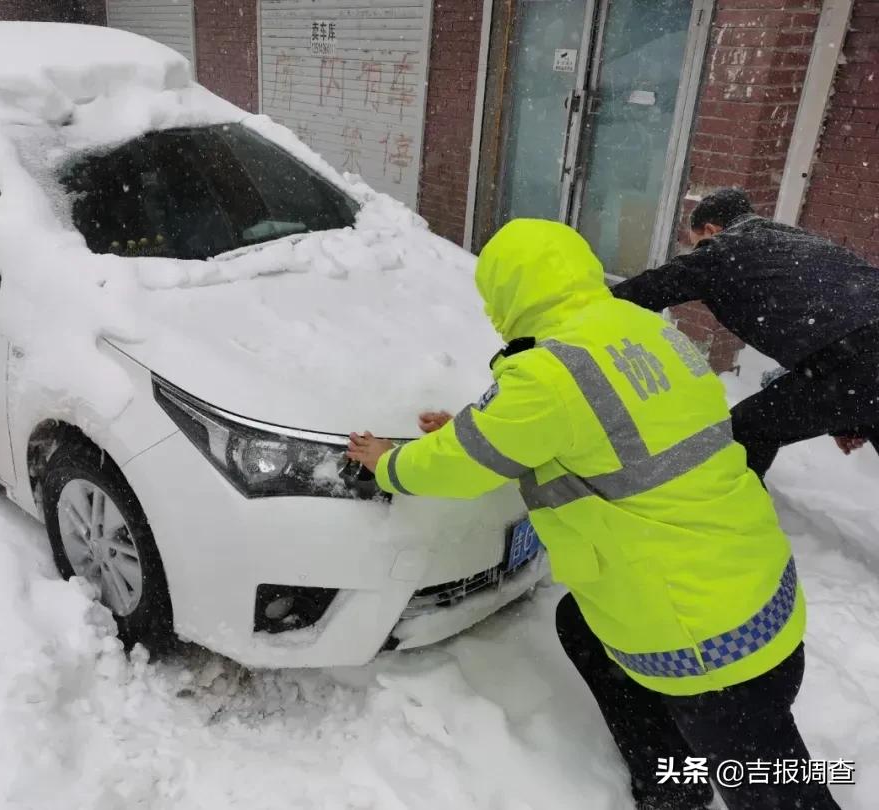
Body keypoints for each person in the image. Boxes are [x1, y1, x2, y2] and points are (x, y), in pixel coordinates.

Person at [347, 219, 839, 810]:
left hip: (707, 648)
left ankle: (682, 786)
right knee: (581, 627)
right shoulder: (643, 330)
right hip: (754, 589)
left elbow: (462, 465)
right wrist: (482, 433)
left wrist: (391, 463)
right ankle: (671, 784)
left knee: (781, 793)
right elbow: (597, 430)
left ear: (507, 292)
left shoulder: (548, 372)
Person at [612, 188, 879, 479]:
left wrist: (582, 304)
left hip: (853, 363)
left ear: (711, 230)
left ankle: (734, 520)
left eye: (697, 242)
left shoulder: (725, 250)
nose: (698, 250)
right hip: (856, 361)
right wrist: (853, 416)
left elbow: (647, 289)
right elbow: (844, 316)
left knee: (747, 431)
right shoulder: (793, 239)